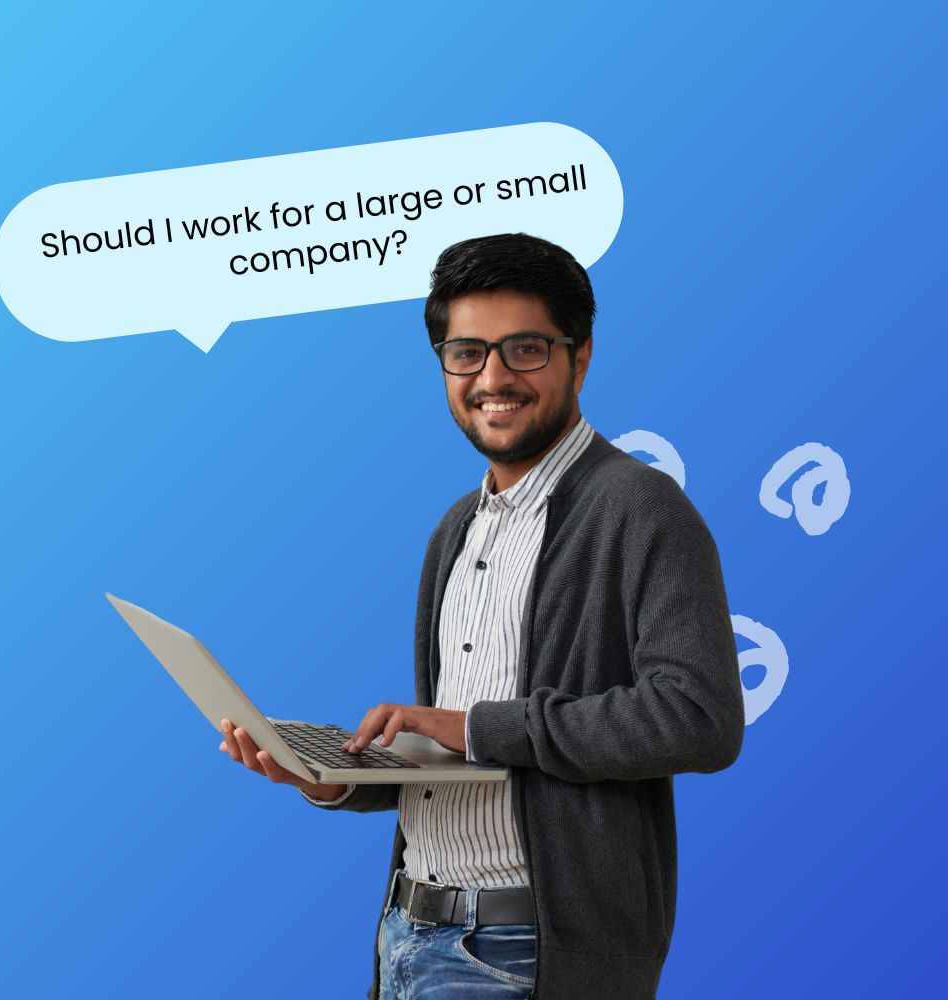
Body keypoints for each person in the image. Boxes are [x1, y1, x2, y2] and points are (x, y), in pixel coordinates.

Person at [219, 233, 745, 1000]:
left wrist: (472, 726)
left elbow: (699, 718)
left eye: (525, 348)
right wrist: (335, 778)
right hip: (406, 934)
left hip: (524, 951)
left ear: (581, 356)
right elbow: (464, 770)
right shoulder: (455, 529)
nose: (493, 377)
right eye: (466, 352)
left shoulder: (641, 509)